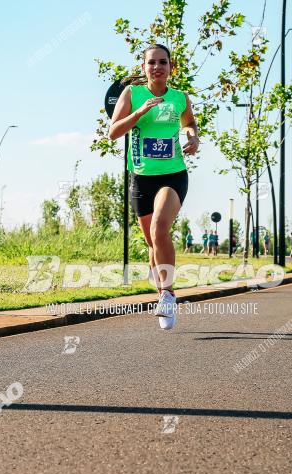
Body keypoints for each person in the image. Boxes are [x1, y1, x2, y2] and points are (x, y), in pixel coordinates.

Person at [108, 44, 199, 330]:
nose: (157, 67)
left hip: (173, 174)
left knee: (160, 229)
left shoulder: (179, 98)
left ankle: (169, 294)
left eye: (163, 62)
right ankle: (162, 295)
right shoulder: (132, 94)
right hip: (141, 177)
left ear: (172, 67)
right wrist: (140, 113)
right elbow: (113, 133)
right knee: (152, 243)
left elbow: (189, 123)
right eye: (152, 63)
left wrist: (193, 136)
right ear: (144, 67)